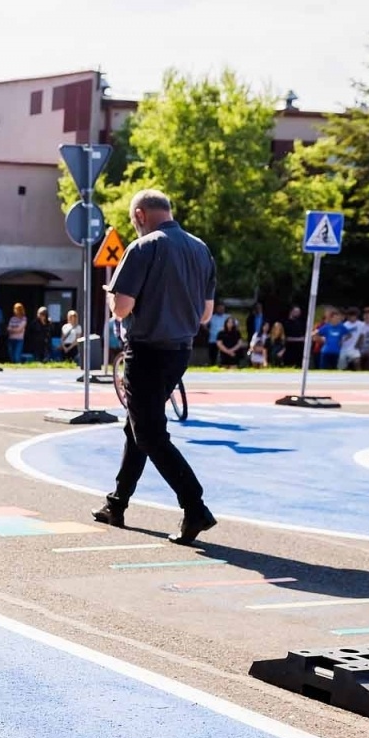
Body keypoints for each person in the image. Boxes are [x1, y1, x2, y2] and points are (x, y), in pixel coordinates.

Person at [95, 188, 217, 546]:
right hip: (180, 352)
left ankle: (194, 506)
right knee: (138, 425)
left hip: (146, 351)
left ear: (140, 215)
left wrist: (111, 295)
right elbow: (206, 314)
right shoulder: (200, 249)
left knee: (149, 434)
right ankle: (116, 504)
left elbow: (121, 308)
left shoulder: (143, 247)